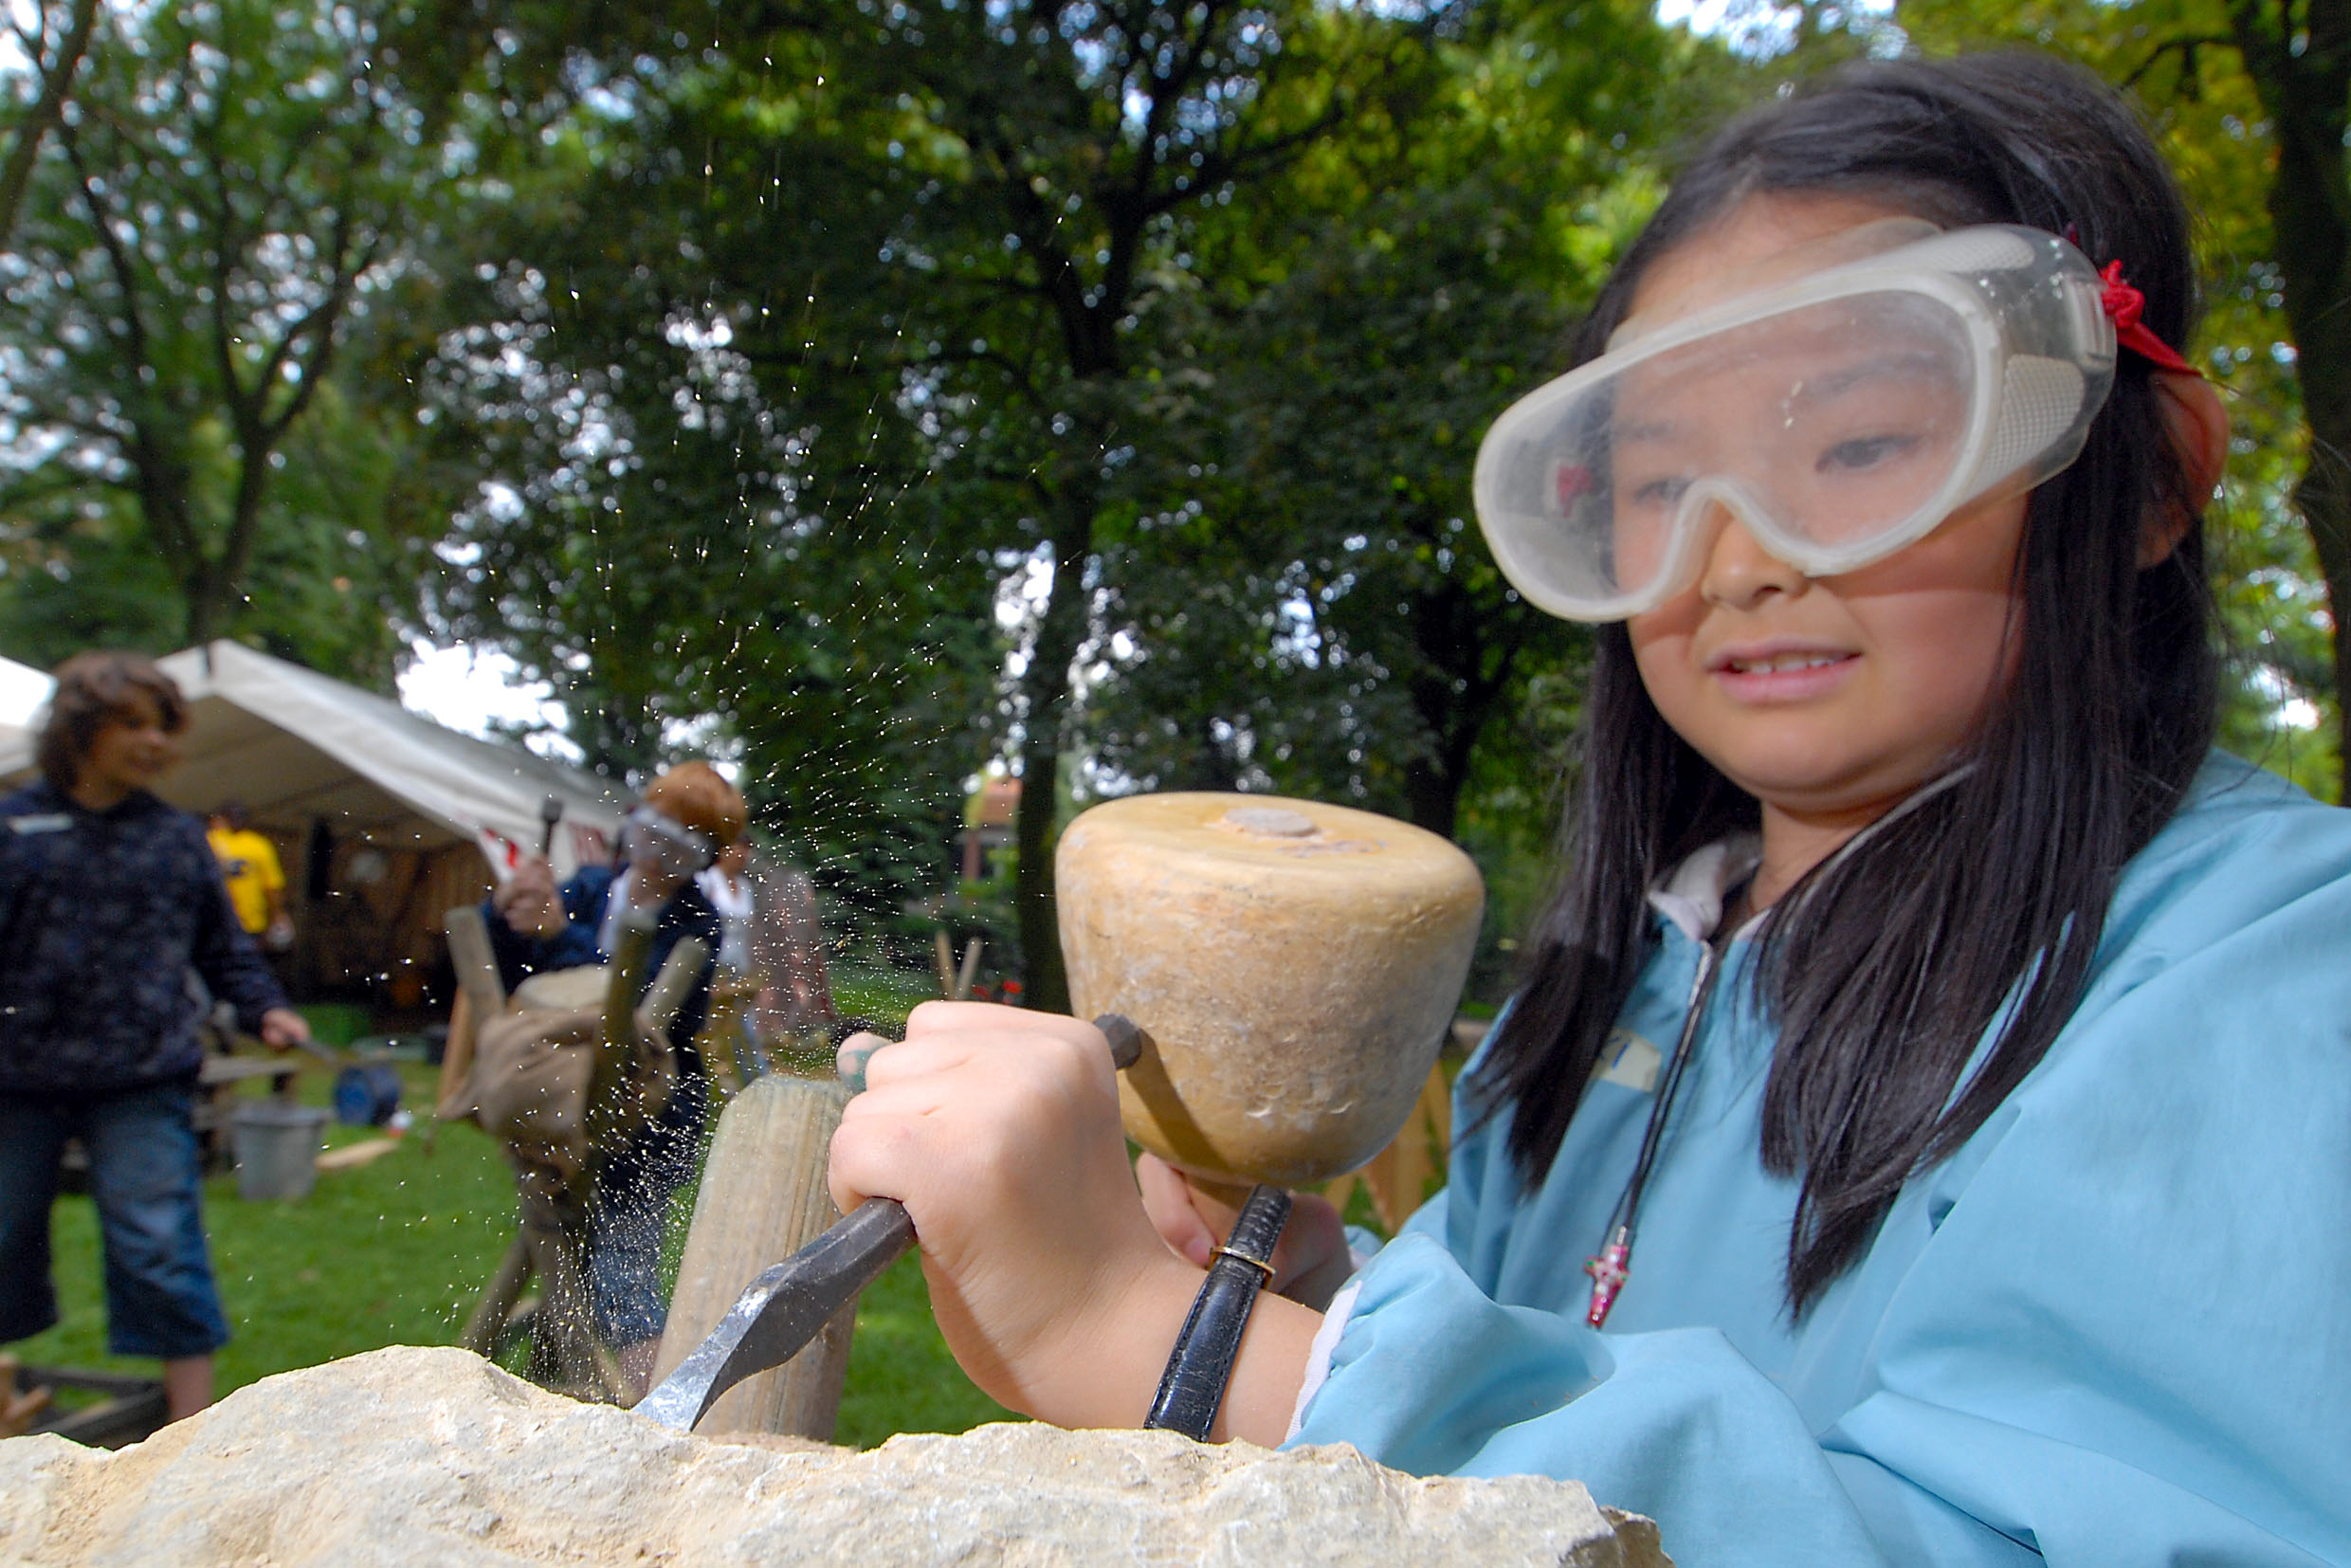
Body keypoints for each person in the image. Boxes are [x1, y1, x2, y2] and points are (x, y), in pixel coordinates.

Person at [822, 53, 2351, 1565]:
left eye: (1866, 445)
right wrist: (1303, 1295)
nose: (1737, 553)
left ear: (2149, 478)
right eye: (1662, 476)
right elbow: (1530, 1339)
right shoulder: (1625, 974)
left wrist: (1169, 1346)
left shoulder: (2271, 964)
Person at [0, 652, 312, 1424]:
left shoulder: (178, 840)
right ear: (79, 731)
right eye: (134, 724)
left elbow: (225, 950)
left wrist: (265, 1007)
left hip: (144, 1076)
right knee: (0, 1236)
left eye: (166, 728)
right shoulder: (13, 826)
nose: (157, 743)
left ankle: (190, 1432)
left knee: (160, 1245)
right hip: (16, 1075)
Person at [481, 759, 739, 1393]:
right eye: (652, 835)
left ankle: (659, 1418)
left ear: (700, 860)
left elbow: (634, 1013)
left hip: (646, 1121)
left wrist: (560, 936)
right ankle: (561, 1376)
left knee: (622, 1282)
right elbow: (519, 960)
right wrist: (511, 907)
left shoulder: (698, 925)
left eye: (678, 850)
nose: (656, 859)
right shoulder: (593, 889)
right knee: (566, 1255)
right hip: (569, 1108)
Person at [206, 801, 294, 954]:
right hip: (250, 924)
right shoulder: (259, 845)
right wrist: (277, 915)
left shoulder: (209, 841)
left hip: (214, 922)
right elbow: (273, 887)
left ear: (221, 819)